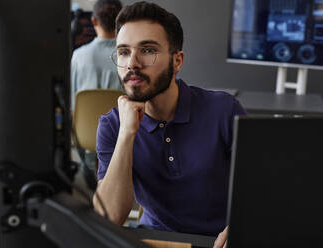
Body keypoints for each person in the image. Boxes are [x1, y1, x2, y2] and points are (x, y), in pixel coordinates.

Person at [93, 2, 246, 247]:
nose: (132, 62)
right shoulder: (113, 125)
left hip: (218, 241)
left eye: (148, 50)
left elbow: (259, 190)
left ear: (177, 61)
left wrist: (242, 227)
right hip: (155, 240)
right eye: (123, 51)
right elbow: (108, 218)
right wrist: (127, 133)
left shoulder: (224, 110)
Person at [70, 0, 123, 109]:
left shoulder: (78, 56)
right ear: (121, 21)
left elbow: (71, 104)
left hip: (84, 125)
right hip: (120, 124)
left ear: (94, 21)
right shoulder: (131, 57)